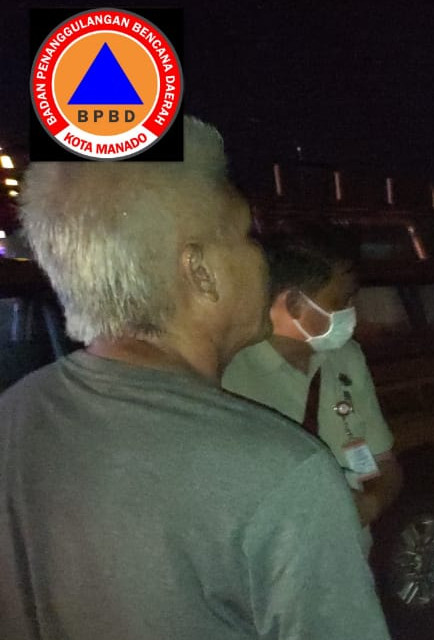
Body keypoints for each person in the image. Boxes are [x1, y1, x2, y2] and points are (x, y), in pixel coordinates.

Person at [0, 117, 390, 640]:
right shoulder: (280, 472)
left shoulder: (15, 414)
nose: (263, 260)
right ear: (200, 271)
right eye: (247, 235)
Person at [222, 226, 403, 555]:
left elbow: (382, 463)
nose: (351, 310)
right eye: (341, 300)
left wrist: (370, 504)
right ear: (294, 303)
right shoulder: (228, 371)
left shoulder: (346, 359)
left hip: (347, 562)